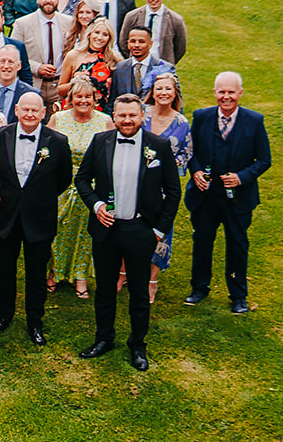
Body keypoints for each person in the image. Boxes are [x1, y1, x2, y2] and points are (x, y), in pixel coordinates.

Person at [76, 93, 181, 371]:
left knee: (138, 291)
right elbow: (82, 179)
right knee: (105, 289)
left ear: (142, 117)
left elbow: (173, 192)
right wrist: (96, 205)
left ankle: (137, 345)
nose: (126, 120)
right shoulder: (101, 142)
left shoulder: (158, 146)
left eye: (132, 115)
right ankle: (104, 338)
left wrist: (158, 231)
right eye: (121, 115)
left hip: (141, 230)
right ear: (114, 117)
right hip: (107, 229)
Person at [0, 93, 73, 345]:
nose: (29, 114)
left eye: (35, 110)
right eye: (25, 109)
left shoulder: (57, 142)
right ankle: (4, 315)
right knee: (4, 270)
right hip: (6, 216)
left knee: (36, 273)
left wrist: (39, 198)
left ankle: (35, 322)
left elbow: (63, 179)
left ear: (43, 113)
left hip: (40, 218)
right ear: (16, 109)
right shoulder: (0, 137)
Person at [185, 71, 271, 315]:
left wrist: (241, 177)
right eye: (221, 92)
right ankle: (199, 287)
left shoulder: (254, 121)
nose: (226, 97)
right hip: (206, 196)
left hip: (238, 199)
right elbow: (191, 152)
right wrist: (197, 172)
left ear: (240, 94)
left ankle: (238, 295)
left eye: (231, 92)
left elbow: (264, 160)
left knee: (237, 244)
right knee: (202, 241)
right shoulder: (202, 117)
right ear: (214, 93)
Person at [49, 75, 115, 298]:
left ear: (95, 99)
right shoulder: (58, 119)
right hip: (62, 183)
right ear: (71, 98)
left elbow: (111, 156)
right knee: (57, 229)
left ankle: (80, 275)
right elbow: (46, 150)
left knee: (86, 232)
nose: (83, 100)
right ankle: (54, 272)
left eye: (88, 96)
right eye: (79, 96)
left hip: (91, 186)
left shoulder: (105, 121)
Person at [142, 72, 192, 302]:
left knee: (161, 232)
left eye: (168, 89)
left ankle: (152, 279)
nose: (163, 93)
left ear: (175, 93)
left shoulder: (181, 124)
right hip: (135, 180)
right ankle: (123, 273)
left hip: (162, 187)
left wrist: (168, 166)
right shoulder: (141, 115)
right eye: (159, 88)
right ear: (152, 91)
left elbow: (186, 154)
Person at [12, 0, 68, 111]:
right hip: (34, 84)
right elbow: (14, 56)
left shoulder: (69, 22)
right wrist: (37, 68)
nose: (48, 0)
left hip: (59, 85)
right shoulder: (22, 24)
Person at [119, 0, 187, 66]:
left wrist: (168, 63)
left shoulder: (175, 20)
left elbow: (180, 48)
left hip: (162, 68)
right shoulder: (132, 17)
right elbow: (123, 42)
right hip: (138, 66)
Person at [59, 16, 121, 109]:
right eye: (96, 33)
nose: (100, 38)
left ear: (109, 38)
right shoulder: (73, 55)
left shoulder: (114, 59)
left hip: (102, 110)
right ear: (89, 34)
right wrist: (76, 82)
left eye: (105, 34)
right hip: (75, 108)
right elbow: (60, 90)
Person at [113, 25, 176, 100]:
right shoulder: (119, 68)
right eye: (133, 41)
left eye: (141, 42)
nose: (136, 45)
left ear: (150, 44)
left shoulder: (165, 68)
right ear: (128, 43)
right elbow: (113, 99)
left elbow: (176, 100)